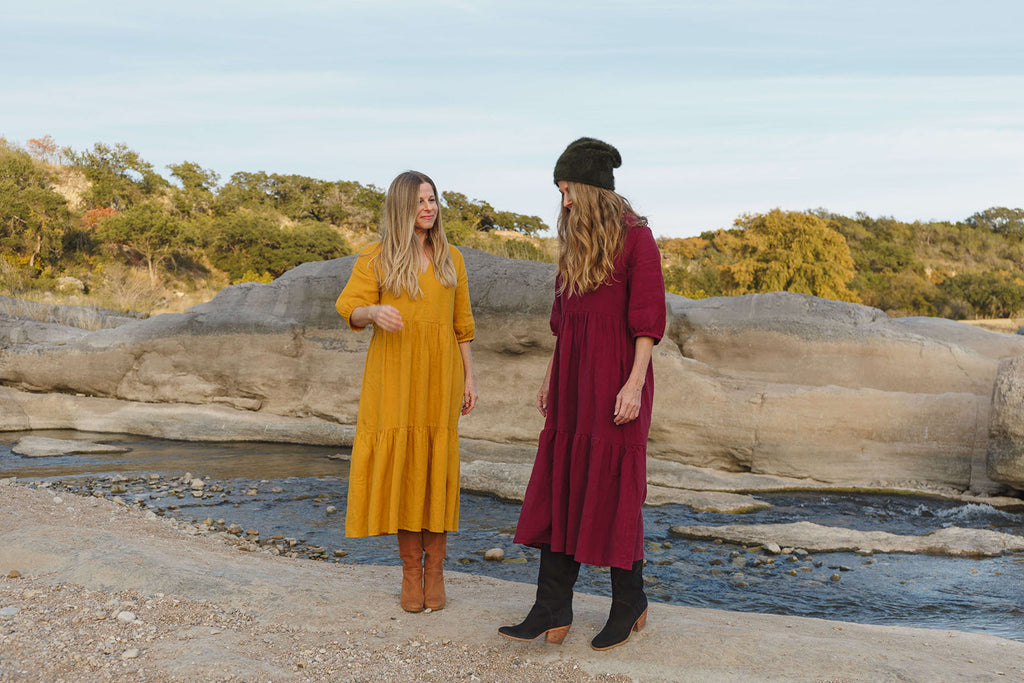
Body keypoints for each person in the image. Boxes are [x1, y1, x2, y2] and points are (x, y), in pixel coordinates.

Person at [499, 138, 666, 650]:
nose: (563, 201)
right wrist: (551, 378)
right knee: (563, 484)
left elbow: (648, 322)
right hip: (573, 381)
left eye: (567, 189)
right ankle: (551, 608)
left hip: (617, 380)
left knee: (617, 491)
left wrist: (634, 385)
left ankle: (628, 602)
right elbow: (564, 323)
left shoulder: (638, 239)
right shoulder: (574, 242)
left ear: (590, 189)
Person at [335, 170, 477, 613]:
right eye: (419, 201)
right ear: (402, 206)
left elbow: (463, 326)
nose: (428, 208)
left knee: (434, 469)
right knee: (406, 470)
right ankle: (409, 572)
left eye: (432, 199)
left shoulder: (452, 257)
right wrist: (374, 311)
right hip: (393, 374)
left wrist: (469, 378)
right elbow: (349, 309)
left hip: (441, 375)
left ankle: (436, 571)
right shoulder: (376, 257)